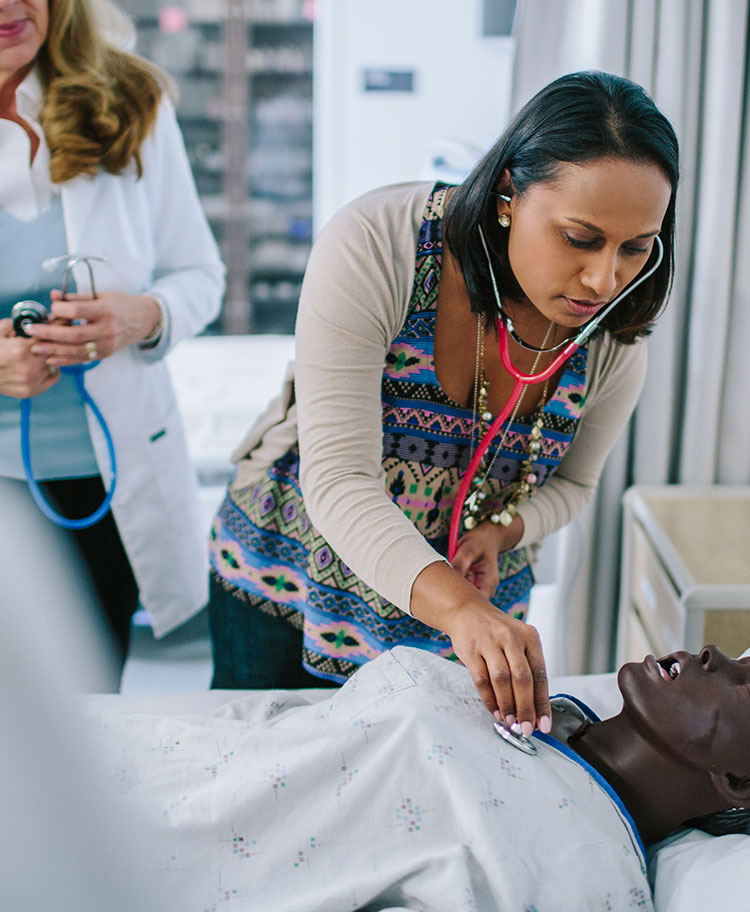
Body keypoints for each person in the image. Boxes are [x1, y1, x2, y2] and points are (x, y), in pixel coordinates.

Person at [209, 70, 678, 734]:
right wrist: (460, 609)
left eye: (636, 248)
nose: (605, 280)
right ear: (508, 194)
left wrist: (503, 532)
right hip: (292, 577)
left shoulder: (613, 341)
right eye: (580, 238)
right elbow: (339, 477)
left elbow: (575, 486)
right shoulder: (379, 244)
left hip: (468, 607)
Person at [85, 643, 750, 912]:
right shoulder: (531, 707)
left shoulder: (585, 877)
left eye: (746, 681)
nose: (716, 652)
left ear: (738, 783)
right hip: (135, 763)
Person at [0, 0, 225, 682]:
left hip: (101, 486)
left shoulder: (130, 99)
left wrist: (142, 315)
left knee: (90, 706)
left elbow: (200, 274)